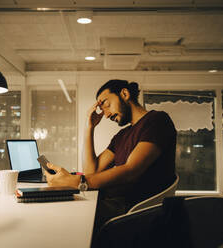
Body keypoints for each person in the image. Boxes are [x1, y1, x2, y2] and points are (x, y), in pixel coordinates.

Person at [44, 79, 177, 238]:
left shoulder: (157, 120)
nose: (105, 114)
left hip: (135, 210)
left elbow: (131, 170)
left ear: (125, 94)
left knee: (64, 217)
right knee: (59, 209)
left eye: (106, 104)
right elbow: (91, 171)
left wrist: (76, 182)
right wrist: (89, 127)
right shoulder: (122, 136)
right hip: (117, 203)